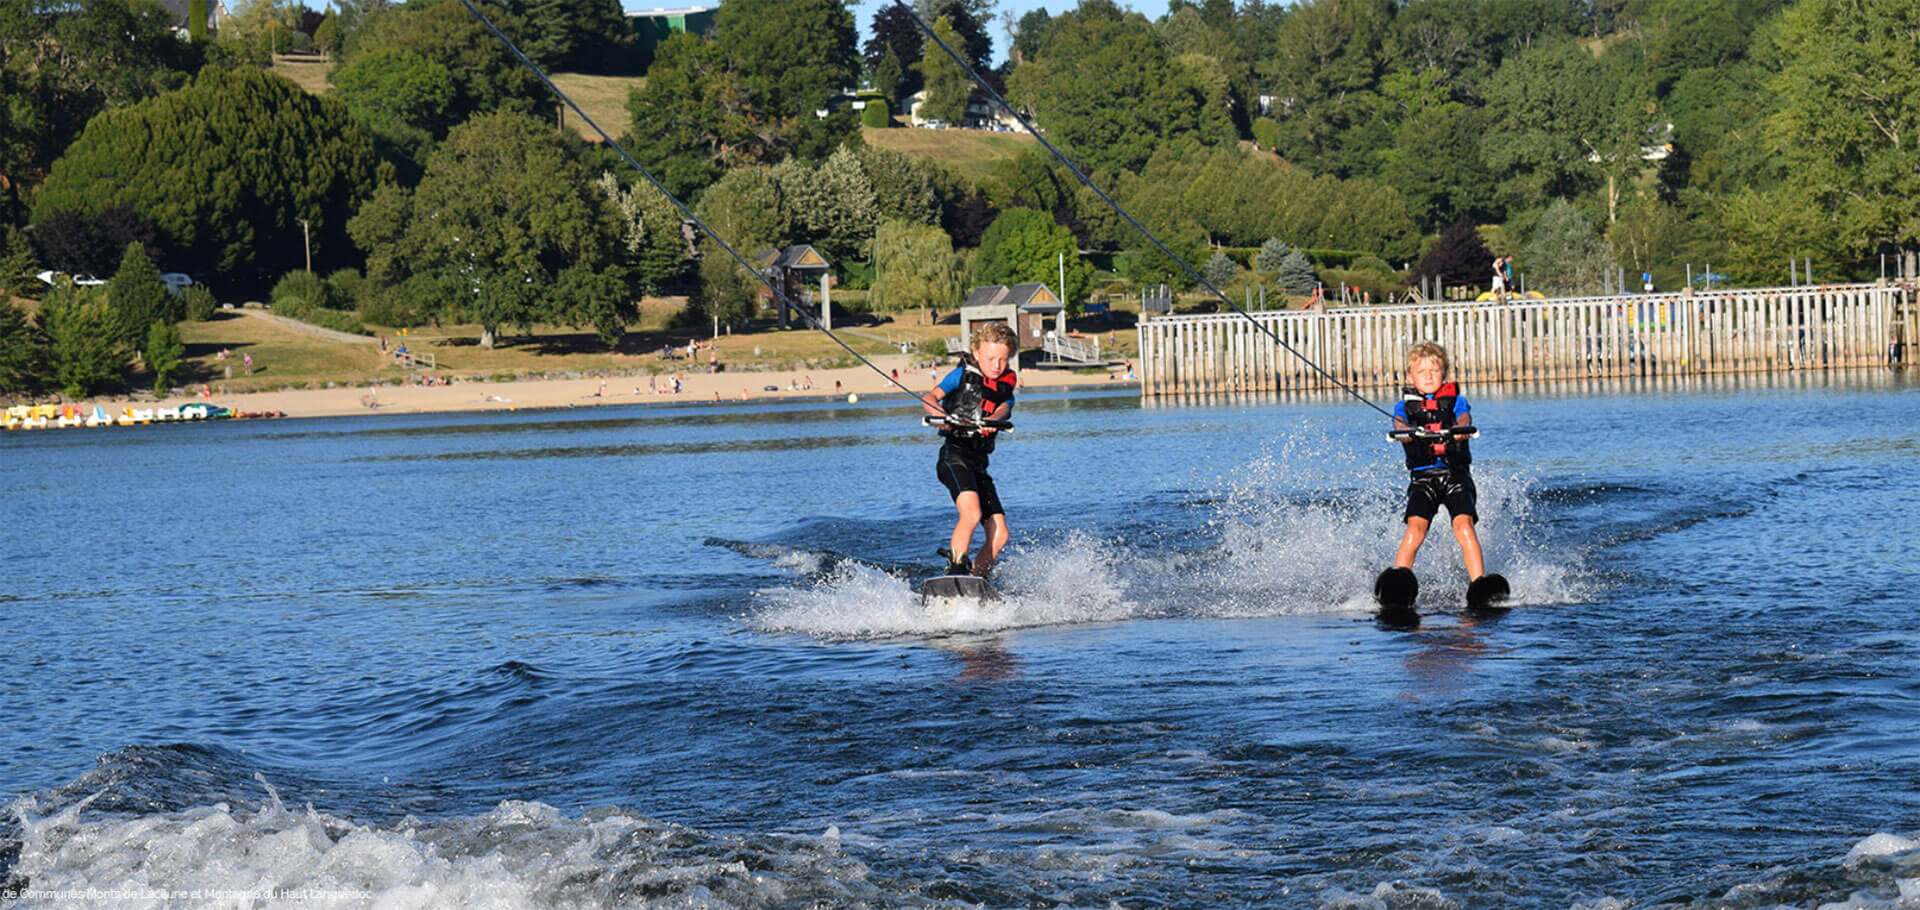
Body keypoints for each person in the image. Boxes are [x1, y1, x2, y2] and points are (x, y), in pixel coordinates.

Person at [921, 322, 1020, 579]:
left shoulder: (1005, 388)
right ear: (976, 353)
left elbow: (1004, 409)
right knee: (972, 513)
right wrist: (941, 416)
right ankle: (955, 569)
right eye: (991, 359)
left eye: (1003, 359)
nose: (997, 365)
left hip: (979, 464)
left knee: (1000, 533)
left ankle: (978, 578)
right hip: (954, 457)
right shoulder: (960, 376)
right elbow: (929, 399)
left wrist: (992, 422)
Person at [1390, 342, 1487, 584]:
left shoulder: (1457, 402)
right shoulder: (1404, 406)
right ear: (1411, 376)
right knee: (1415, 530)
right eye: (1422, 372)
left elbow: (1465, 416)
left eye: (1434, 371)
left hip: (1456, 476)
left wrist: (1460, 429)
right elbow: (1398, 422)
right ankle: (1399, 583)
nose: (1429, 376)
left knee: (1464, 526)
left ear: (1444, 373)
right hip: (1424, 479)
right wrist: (1404, 431)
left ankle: (1479, 583)